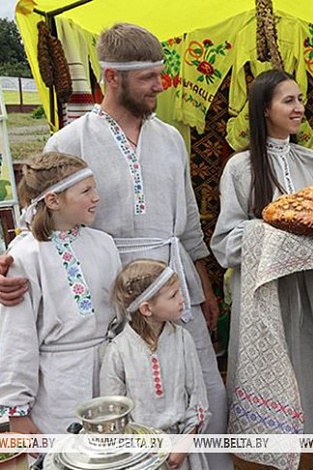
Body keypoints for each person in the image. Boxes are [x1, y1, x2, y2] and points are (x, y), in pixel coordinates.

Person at [0, 23, 232, 469]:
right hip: (111, 292)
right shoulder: (70, 140)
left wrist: (201, 285)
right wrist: (7, 263)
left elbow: (186, 221)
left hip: (173, 283)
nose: (159, 86)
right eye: (147, 78)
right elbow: (40, 222)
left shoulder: (168, 138)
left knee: (202, 388)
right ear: (111, 77)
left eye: (159, 75)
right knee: (135, 401)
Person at [211, 69, 313, 469]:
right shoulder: (240, 168)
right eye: (289, 101)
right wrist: (273, 234)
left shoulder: (311, 161)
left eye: (300, 99)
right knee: (269, 380)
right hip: (264, 291)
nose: (300, 108)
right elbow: (225, 243)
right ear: (265, 109)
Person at [0, 152, 122, 434]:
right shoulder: (26, 254)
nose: (96, 197)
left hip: (109, 373)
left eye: (95, 188)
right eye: (86, 190)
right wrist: (17, 408)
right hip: (58, 386)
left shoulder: (104, 244)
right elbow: (17, 335)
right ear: (53, 200)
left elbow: (121, 314)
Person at [102, 259, 209, 470]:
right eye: (173, 295)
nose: (182, 299)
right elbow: (113, 413)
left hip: (183, 451)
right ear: (146, 308)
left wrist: (184, 445)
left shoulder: (183, 339)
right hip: (139, 457)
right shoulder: (118, 350)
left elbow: (197, 397)